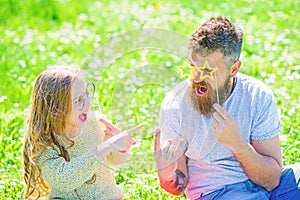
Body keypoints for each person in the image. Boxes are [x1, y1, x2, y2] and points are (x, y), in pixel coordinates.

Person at [154, 16, 300, 200]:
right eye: (193, 66)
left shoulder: (257, 95)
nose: (197, 77)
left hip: (271, 190)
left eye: (208, 71)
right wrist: (166, 175)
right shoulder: (176, 105)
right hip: (218, 193)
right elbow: (178, 186)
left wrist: (237, 144)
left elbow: (272, 180)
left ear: (234, 69)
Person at [22, 66, 142, 199]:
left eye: (87, 95)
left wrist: (120, 147)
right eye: (78, 100)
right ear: (55, 109)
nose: (88, 103)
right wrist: (104, 147)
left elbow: (114, 160)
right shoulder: (45, 142)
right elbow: (64, 180)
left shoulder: (94, 123)